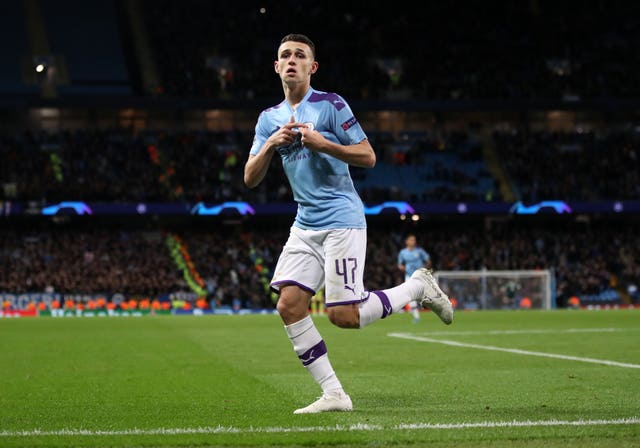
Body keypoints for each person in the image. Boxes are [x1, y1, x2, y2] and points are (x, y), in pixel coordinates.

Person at [244, 33, 453, 415]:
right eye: (285, 56)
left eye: (300, 56)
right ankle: (335, 394)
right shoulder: (267, 119)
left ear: (312, 66)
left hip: (342, 219)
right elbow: (250, 178)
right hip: (304, 223)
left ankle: (416, 286)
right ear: (276, 67)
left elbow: (368, 156)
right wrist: (272, 144)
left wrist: (324, 144)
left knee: (344, 316)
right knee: (289, 305)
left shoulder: (331, 105)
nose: (291, 60)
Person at [397, 234, 432, 323]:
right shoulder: (403, 252)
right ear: (407, 242)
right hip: (409, 277)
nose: (413, 242)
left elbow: (428, 261)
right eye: (411, 240)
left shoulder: (419, 251)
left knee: (426, 293)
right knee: (410, 296)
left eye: (414, 240)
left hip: (420, 276)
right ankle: (416, 317)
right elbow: (400, 264)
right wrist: (403, 268)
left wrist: (424, 268)